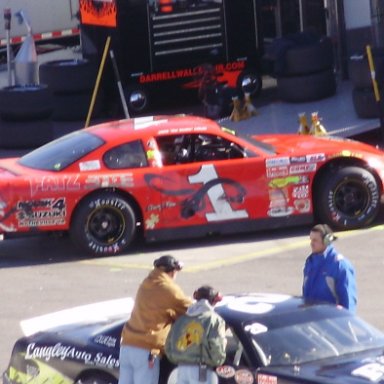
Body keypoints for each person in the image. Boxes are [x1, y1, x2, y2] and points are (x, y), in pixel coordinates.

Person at [118, 255, 192, 384]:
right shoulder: (169, 288)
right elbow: (192, 309)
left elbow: (159, 308)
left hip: (127, 346)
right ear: (172, 271)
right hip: (146, 350)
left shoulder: (146, 283)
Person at [165, 285, 226, 384]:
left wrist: (177, 358)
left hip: (181, 369)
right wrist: (217, 361)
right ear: (213, 301)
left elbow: (168, 344)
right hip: (202, 370)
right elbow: (216, 345)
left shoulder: (181, 319)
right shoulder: (214, 320)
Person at [302, 224, 357, 312]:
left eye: (315, 240)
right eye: (311, 239)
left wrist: (346, 323)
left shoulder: (340, 266)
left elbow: (348, 302)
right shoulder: (310, 262)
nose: (311, 243)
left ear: (326, 241)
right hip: (312, 319)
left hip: (331, 321)